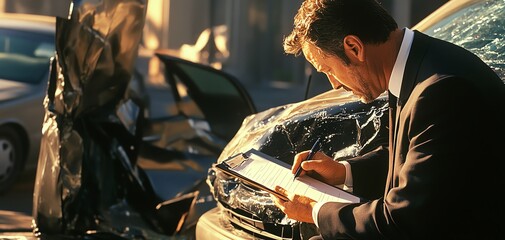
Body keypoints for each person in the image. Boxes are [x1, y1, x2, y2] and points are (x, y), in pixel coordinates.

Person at [271, 0, 505, 239]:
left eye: (328, 70)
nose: (335, 84)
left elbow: (403, 221)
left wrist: (314, 210)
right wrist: (344, 173)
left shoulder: (441, 91)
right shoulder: (419, 66)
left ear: (354, 47)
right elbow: (415, 161)